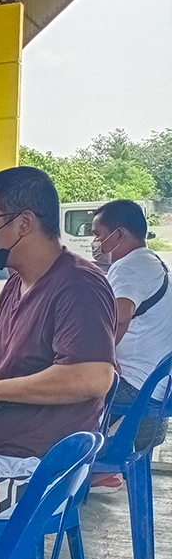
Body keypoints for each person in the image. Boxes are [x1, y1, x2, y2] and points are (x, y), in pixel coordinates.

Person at [0, 167, 115, 525]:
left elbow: (93, 378)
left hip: (32, 466)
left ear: (23, 223)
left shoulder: (78, 286)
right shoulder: (15, 282)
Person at [91, 199, 172, 466]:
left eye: (98, 235)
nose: (96, 243)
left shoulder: (128, 266)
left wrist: (104, 357)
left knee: (65, 387)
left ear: (120, 235)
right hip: (154, 387)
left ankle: (84, 465)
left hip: (134, 388)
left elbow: (121, 315)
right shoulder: (153, 263)